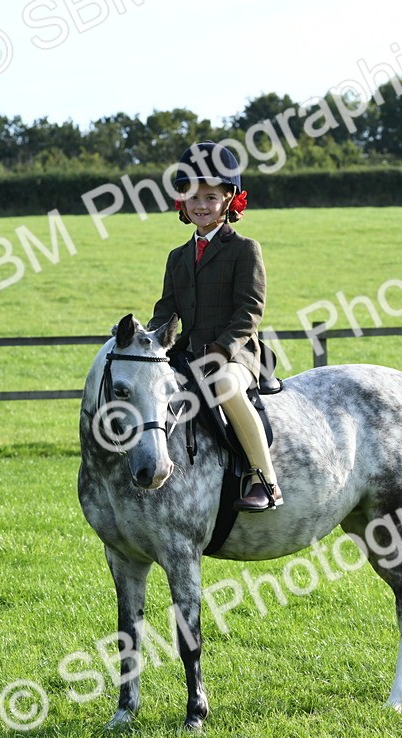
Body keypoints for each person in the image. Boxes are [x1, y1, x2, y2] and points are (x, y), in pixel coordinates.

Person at [148, 141, 282, 512]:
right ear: (182, 202)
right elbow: (166, 310)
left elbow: (250, 309)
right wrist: (148, 340)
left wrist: (221, 350)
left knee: (223, 386)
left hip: (235, 355)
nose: (201, 205)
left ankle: (265, 481)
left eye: (210, 197)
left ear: (228, 200)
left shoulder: (244, 249)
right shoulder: (177, 257)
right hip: (189, 353)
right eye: (193, 197)